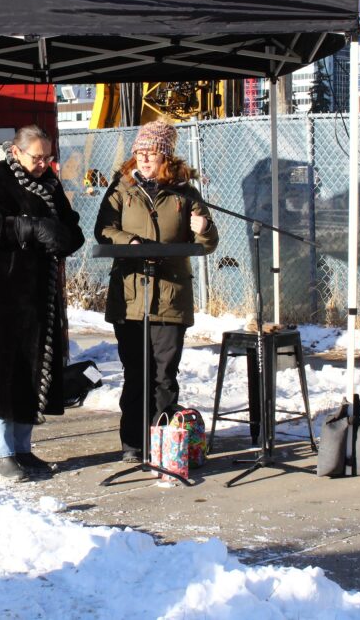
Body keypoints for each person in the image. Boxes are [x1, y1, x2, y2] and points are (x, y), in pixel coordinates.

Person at [0, 124, 85, 481]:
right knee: (3, 371)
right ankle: (1, 451)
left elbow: (70, 226)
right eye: (37, 157)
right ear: (16, 151)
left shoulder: (50, 183)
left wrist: (63, 237)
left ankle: (23, 447)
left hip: (37, 295)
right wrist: (26, 227)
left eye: (48, 158)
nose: (44, 164)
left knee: (31, 370)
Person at [94, 120, 219, 463]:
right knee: (137, 373)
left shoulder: (184, 193)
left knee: (164, 375)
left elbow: (208, 243)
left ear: (166, 156)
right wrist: (130, 241)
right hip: (131, 298)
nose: (145, 159)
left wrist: (205, 228)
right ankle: (133, 443)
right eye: (140, 153)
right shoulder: (121, 189)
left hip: (170, 297)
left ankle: (163, 442)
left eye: (152, 153)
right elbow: (103, 229)